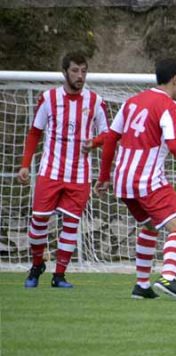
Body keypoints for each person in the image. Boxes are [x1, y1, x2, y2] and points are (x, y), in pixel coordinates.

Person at [90, 58, 176, 301]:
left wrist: (104, 176)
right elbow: (175, 146)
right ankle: (168, 278)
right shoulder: (169, 107)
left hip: (123, 181)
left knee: (150, 225)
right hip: (147, 179)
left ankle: (141, 285)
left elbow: (110, 138)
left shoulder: (132, 102)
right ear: (175, 79)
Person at [18, 51, 110, 288]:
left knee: (70, 224)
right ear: (64, 72)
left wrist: (95, 142)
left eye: (83, 71)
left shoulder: (95, 101)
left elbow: (108, 134)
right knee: (38, 223)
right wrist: (25, 165)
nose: (80, 76)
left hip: (79, 175)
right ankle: (37, 264)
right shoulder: (48, 98)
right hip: (50, 171)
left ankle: (59, 276)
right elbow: (34, 133)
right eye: (75, 71)